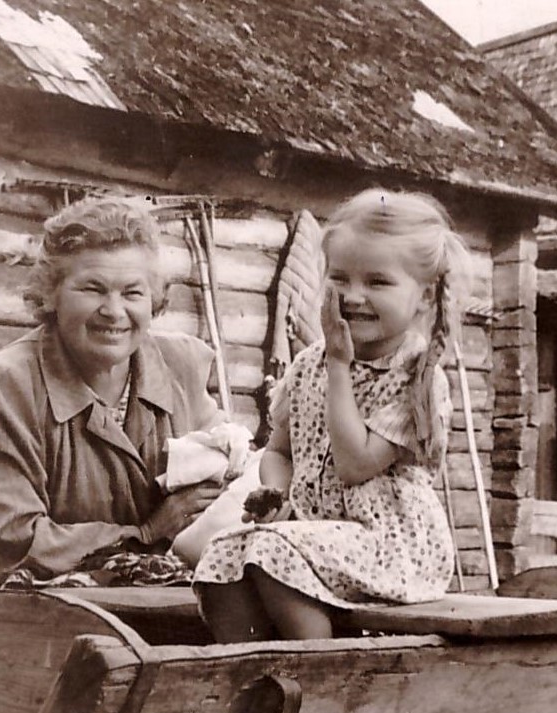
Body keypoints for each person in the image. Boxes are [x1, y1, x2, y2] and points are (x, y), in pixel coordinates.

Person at [194, 189, 465, 640]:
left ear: (424, 296)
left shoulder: (417, 378)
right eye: (339, 278)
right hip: (316, 535)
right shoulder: (307, 365)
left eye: (377, 282)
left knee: (276, 554)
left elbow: (354, 465)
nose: (353, 296)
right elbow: (279, 451)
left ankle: (318, 671)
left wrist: (339, 366)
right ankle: (249, 666)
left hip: (390, 545)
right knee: (221, 554)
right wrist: (277, 494)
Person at [0, 196, 229, 587]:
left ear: (155, 300)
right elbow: (10, 541)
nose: (113, 311)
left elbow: (226, 479)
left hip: (158, 601)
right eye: (93, 289)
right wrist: (145, 535)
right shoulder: (7, 385)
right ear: (51, 294)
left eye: (133, 293)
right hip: (19, 609)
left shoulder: (183, 367)